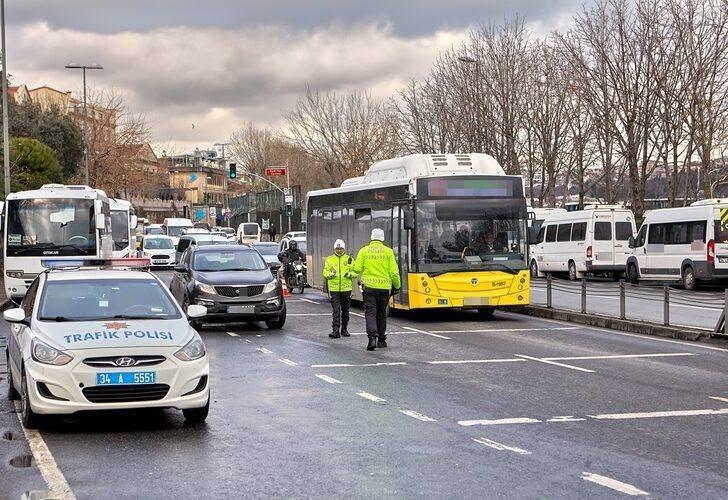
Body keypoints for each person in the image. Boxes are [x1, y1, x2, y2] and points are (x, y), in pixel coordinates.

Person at [353, 228, 401, 351]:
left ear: (371, 237)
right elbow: (394, 272)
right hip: (384, 288)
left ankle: (371, 339)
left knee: (370, 313)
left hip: (369, 288)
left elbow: (357, 268)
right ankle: (381, 340)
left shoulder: (364, 251)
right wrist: (397, 285)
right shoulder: (388, 252)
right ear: (382, 238)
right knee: (381, 314)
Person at [322, 239, 356, 339]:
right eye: (337, 248)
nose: (339, 250)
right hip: (334, 289)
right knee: (336, 310)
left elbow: (355, 272)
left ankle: (344, 329)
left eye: (341, 248)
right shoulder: (329, 259)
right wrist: (330, 275)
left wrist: (350, 274)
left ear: (344, 248)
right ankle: (335, 330)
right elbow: (325, 272)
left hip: (346, 289)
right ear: (334, 249)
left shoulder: (349, 259)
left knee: (346, 311)